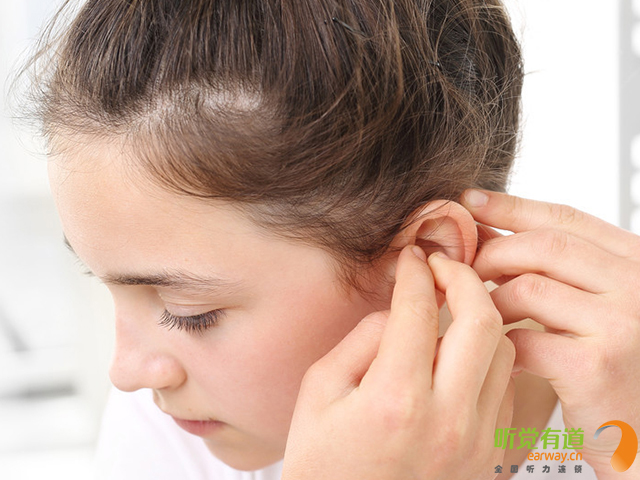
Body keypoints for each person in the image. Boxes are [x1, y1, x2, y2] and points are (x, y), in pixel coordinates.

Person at [19, 0, 638, 478]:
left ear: (428, 258)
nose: (126, 372)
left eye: (190, 313)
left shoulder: (615, 419)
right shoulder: (179, 431)